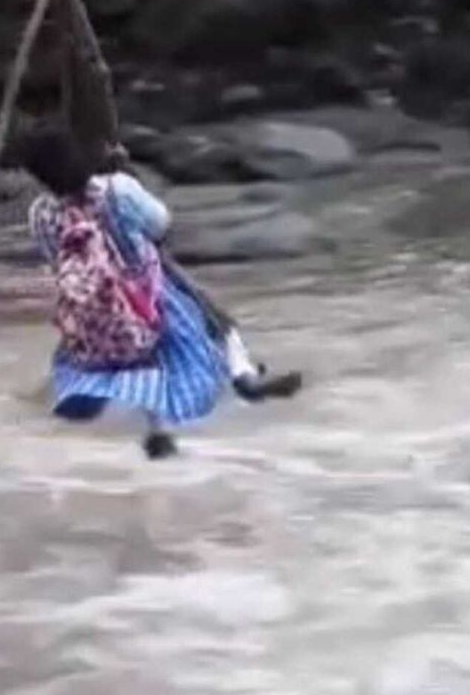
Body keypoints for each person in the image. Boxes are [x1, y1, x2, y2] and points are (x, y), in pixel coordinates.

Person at [24, 125, 298, 460]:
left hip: (90, 311)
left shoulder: (40, 215)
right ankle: (244, 377)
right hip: (149, 295)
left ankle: (147, 422)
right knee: (213, 322)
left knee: (113, 357)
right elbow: (160, 224)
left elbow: (55, 257)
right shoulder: (117, 190)